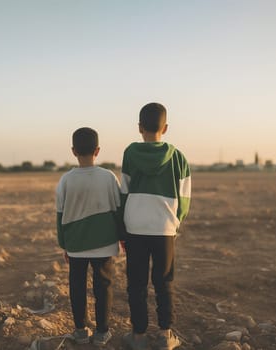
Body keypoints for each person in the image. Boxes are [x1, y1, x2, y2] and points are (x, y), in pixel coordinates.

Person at [121, 103, 191, 350]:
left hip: (135, 228)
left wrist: (123, 228)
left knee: (136, 283)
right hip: (164, 229)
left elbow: (123, 192)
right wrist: (175, 222)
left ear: (140, 128)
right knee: (164, 282)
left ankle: (138, 336)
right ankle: (164, 335)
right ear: (166, 128)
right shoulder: (178, 157)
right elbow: (184, 199)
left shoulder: (130, 153)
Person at [56, 127, 123, 346]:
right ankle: (102, 332)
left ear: (73, 151)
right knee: (103, 286)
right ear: (98, 150)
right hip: (104, 243)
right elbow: (118, 210)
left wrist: (64, 244)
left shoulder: (66, 180)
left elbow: (60, 215)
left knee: (77, 285)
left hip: (76, 244)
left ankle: (80, 330)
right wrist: (121, 237)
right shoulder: (108, 177)